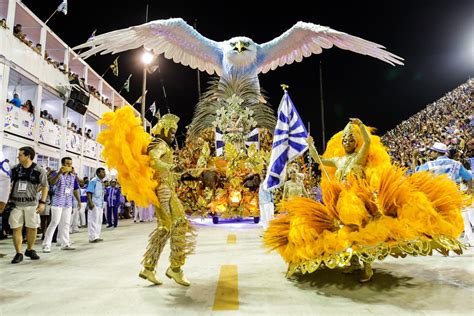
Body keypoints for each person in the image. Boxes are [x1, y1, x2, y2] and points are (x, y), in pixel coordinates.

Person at [264, 119, 467, 283]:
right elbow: (318, 160)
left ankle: (367, 267)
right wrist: (311, 146)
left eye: (350, 139)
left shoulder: (359, 157)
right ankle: (353, 264)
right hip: (340, 201)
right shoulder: (339, 160)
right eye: (344, 139)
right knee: (345, 234)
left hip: (360, 200)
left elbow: (368, 143)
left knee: (364, 233)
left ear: (355, 142)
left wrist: (360, 127)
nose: (346, 141)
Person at [138, 114, 195, 286]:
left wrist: (179, 170)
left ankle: (148, 267)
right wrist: (171, 166)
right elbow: (153, 162)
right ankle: (175, 268)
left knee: (166, 227)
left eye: (174, 132)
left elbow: (163, 168)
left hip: (165, 187)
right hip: (163, 189)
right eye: (171, 131)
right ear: (162, 129)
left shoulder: (162, 145)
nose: (172, 134)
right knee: (180, 222)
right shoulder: (159, 144)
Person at [7, 147, 48, 264]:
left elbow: (45, 186)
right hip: (16, 204)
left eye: (20, 155)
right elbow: (7, 184)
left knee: (32, 227)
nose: (18, 157)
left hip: (32, 204)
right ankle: (18, 253)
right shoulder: (14, 169)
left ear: (28, 156)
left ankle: (30, 249)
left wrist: (42, 202)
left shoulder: (39, 170)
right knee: (16, 228)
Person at [42, 157, 81, 252]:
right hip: (57, 202)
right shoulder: (57, 174)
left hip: (67, 203)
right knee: (54, 222)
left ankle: (65, 243)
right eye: (67, 164)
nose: (69, 166)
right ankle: (46, 244)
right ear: (63, 164)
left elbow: (76, 188)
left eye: (70, 164)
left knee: (66, 223)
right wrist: (59, 173)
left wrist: (78, 201)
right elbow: (51, 182)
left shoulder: (73, 176)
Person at [87, 168, 106, 243]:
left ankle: (97, 236)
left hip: (100, 204)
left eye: (104, 172)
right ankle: (92, 237)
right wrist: (90, 202)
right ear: (98, 173)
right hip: (94, 203)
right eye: (102, 172)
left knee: (99, 220)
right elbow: (89, 192)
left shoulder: (101, 182)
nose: (104, 174)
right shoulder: (93, 181)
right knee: (93, 220)